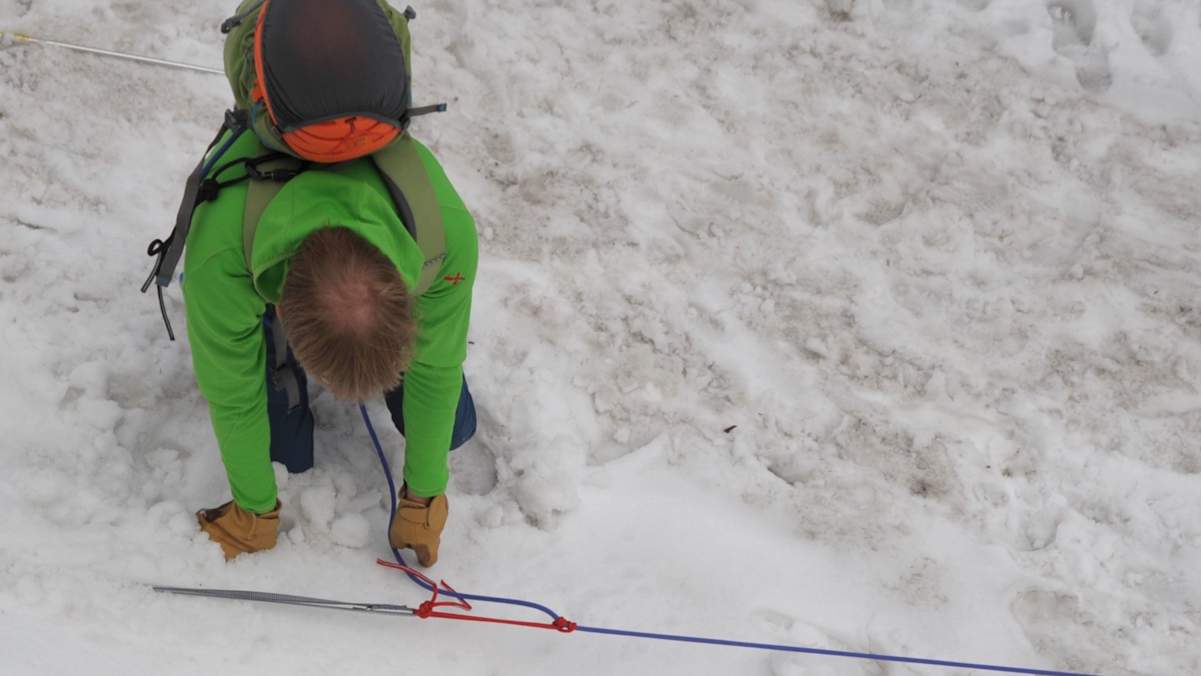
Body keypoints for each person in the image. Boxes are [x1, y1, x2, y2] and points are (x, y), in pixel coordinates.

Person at [182, 0, 476, 565]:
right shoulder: (222, 250)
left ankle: (388, 386)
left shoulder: (445, 238)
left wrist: (426, 493)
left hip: (351, 200)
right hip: (263, 216)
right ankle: (283, 368)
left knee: (451, 427)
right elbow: (231, 392)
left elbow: (437, 370)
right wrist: (254, 509)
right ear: (282, 313)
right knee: (277, 448)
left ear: (409, 304)